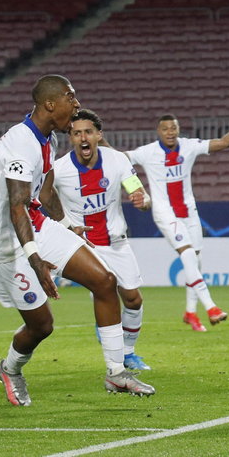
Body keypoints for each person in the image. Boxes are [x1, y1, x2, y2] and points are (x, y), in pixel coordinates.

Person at [0, 75, 155, 406]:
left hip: (36, 224)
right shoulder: (20, 143)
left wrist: (67, 224)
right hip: (4, 244)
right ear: (49, 104)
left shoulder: (48, 139)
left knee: (104, 280)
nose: (77, 104)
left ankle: (116, 372)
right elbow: (16, 206)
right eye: (70, 97)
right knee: (42, 326)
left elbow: (45, 191)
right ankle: (10, 369)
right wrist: (35, 258)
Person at [126, 109, 229, 332]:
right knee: (187, 254)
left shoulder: (188, 146)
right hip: (165, 213)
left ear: (178, 130)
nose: (170, 132)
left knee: (195, 262)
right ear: (158, 131)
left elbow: (223, 143)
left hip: (189, 213)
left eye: (174, 128)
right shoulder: (147, 153)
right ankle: (211, 307)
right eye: (165, 128)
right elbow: (118, 158)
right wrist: (99, 140)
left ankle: (190, 312)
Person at [53, 109, 153, 371]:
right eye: (77, 133)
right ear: (71, 138)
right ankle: (116, 357)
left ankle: (129, 352)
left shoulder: (117, 160)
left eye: (88, 132)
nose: (83, 137)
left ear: (99, 135)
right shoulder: (59, 170)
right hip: (81, 246)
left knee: (133, 299)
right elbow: (42, 200)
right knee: (105, 289)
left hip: (116, 242)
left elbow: (138, 192)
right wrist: (63, 227)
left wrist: (143, 201)